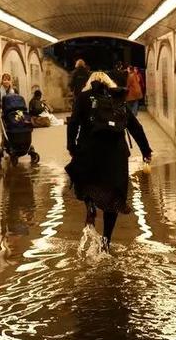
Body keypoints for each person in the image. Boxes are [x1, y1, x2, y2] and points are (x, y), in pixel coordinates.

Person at [66, 71, 153, 253]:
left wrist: (72, 147)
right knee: (113, 196)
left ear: (90, 83)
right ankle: (106, 242)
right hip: (116, 155)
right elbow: (136, 127)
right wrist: (146, 151)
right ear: (110, 83)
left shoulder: (83, 98)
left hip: (89, 150)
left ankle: (90, 206)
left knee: (84, 180)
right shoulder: (117, 98)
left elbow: (73, 123)